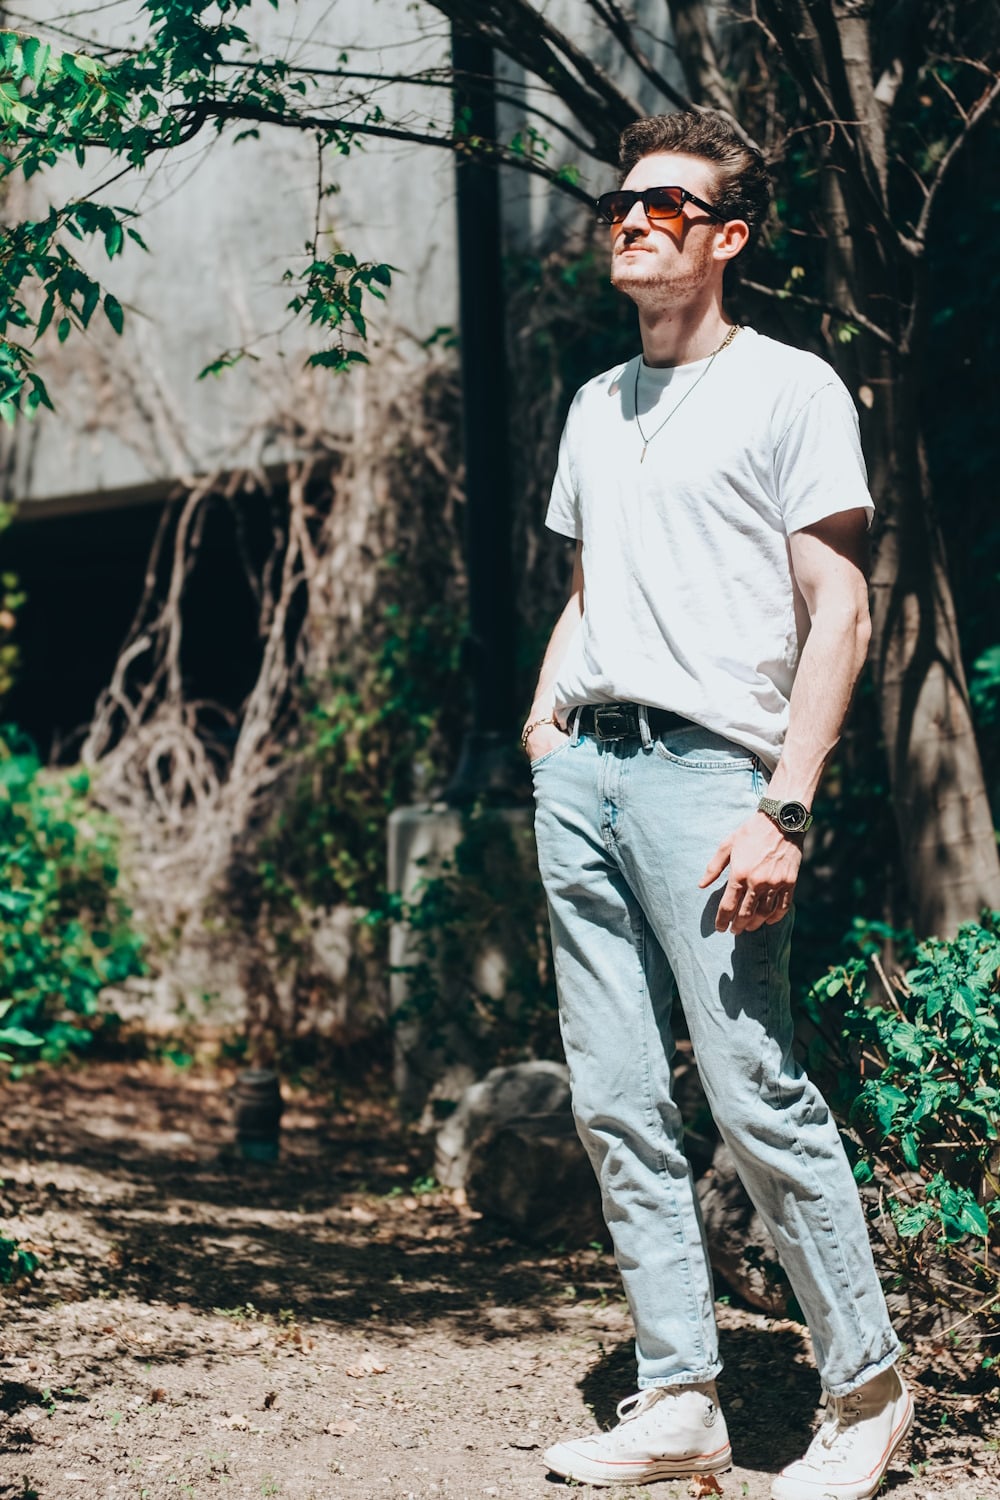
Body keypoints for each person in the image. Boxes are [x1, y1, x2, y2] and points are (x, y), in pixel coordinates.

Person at [522, 112, 913, 1500]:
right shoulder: (592, 406)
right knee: (620, 1102)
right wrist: (544, 725)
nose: (632, 220)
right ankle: (678, 1394)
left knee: (755, 1097)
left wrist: (785, 808)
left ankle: (864, 1391)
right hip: (587, 777)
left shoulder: (791, 392)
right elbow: (590, 598)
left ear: (727, 237)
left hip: (713, 783)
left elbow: (842, 611)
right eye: (622, 203)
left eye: (666, 207)